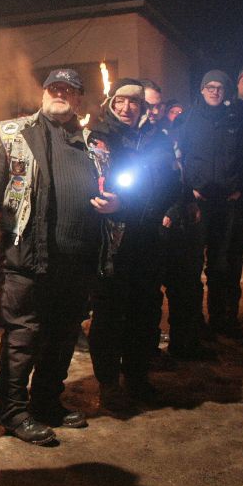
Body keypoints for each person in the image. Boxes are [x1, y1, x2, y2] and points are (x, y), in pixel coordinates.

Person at [0, 68, 116, 445]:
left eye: (69, 90)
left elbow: (109, 188)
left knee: (63, 335)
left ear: (79, 99)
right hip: (27, 257)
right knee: (23, 336)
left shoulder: (93, 144)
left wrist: (114, 204)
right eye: (54, 88)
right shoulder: (12, 133)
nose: (60, 94)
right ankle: (13, 411)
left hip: (77, 260)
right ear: (43, 93)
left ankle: (47, 401)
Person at [87, 79, 180, 409]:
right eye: (121, 101)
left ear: (143, 107)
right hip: (112, 242)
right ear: (112, 103)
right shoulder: (99, 138)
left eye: (134, 102)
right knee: (110, 315)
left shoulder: (157, 138)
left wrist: (171, 208)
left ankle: (138, 377)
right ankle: (109, 383)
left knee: (144, 312)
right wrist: (110, 203)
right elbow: (90, 183)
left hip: (148, 239)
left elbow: (171, 182)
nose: (126, 108)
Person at [177, 70, 243, 340]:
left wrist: (238, 186)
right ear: (202, 90)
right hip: (199, 202)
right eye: (210, 87)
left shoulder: (234, 119)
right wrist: (190, 188)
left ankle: (221, 318)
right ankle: (195, 322)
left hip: (226, 201)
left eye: (219, 87)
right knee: (193, 264)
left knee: (221, 263)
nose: (215, 92)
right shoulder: (189, 118)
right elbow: (179, 156)